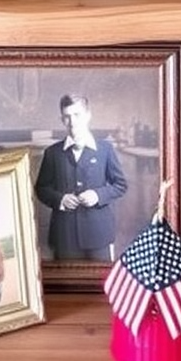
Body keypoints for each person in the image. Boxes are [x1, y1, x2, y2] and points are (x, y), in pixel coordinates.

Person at [34, 94, 128, 262]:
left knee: (99, 285)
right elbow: (41, 189)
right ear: (62, 119)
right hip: (64, 236)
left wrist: (98, 195)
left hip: (98, 233)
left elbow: (120, 185)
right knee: (68, 286)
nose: (72, 122)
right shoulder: (52, 153)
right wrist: (60, 199)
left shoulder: (105, 150)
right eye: (67, 117)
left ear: (88, 115)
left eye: (77, 115)